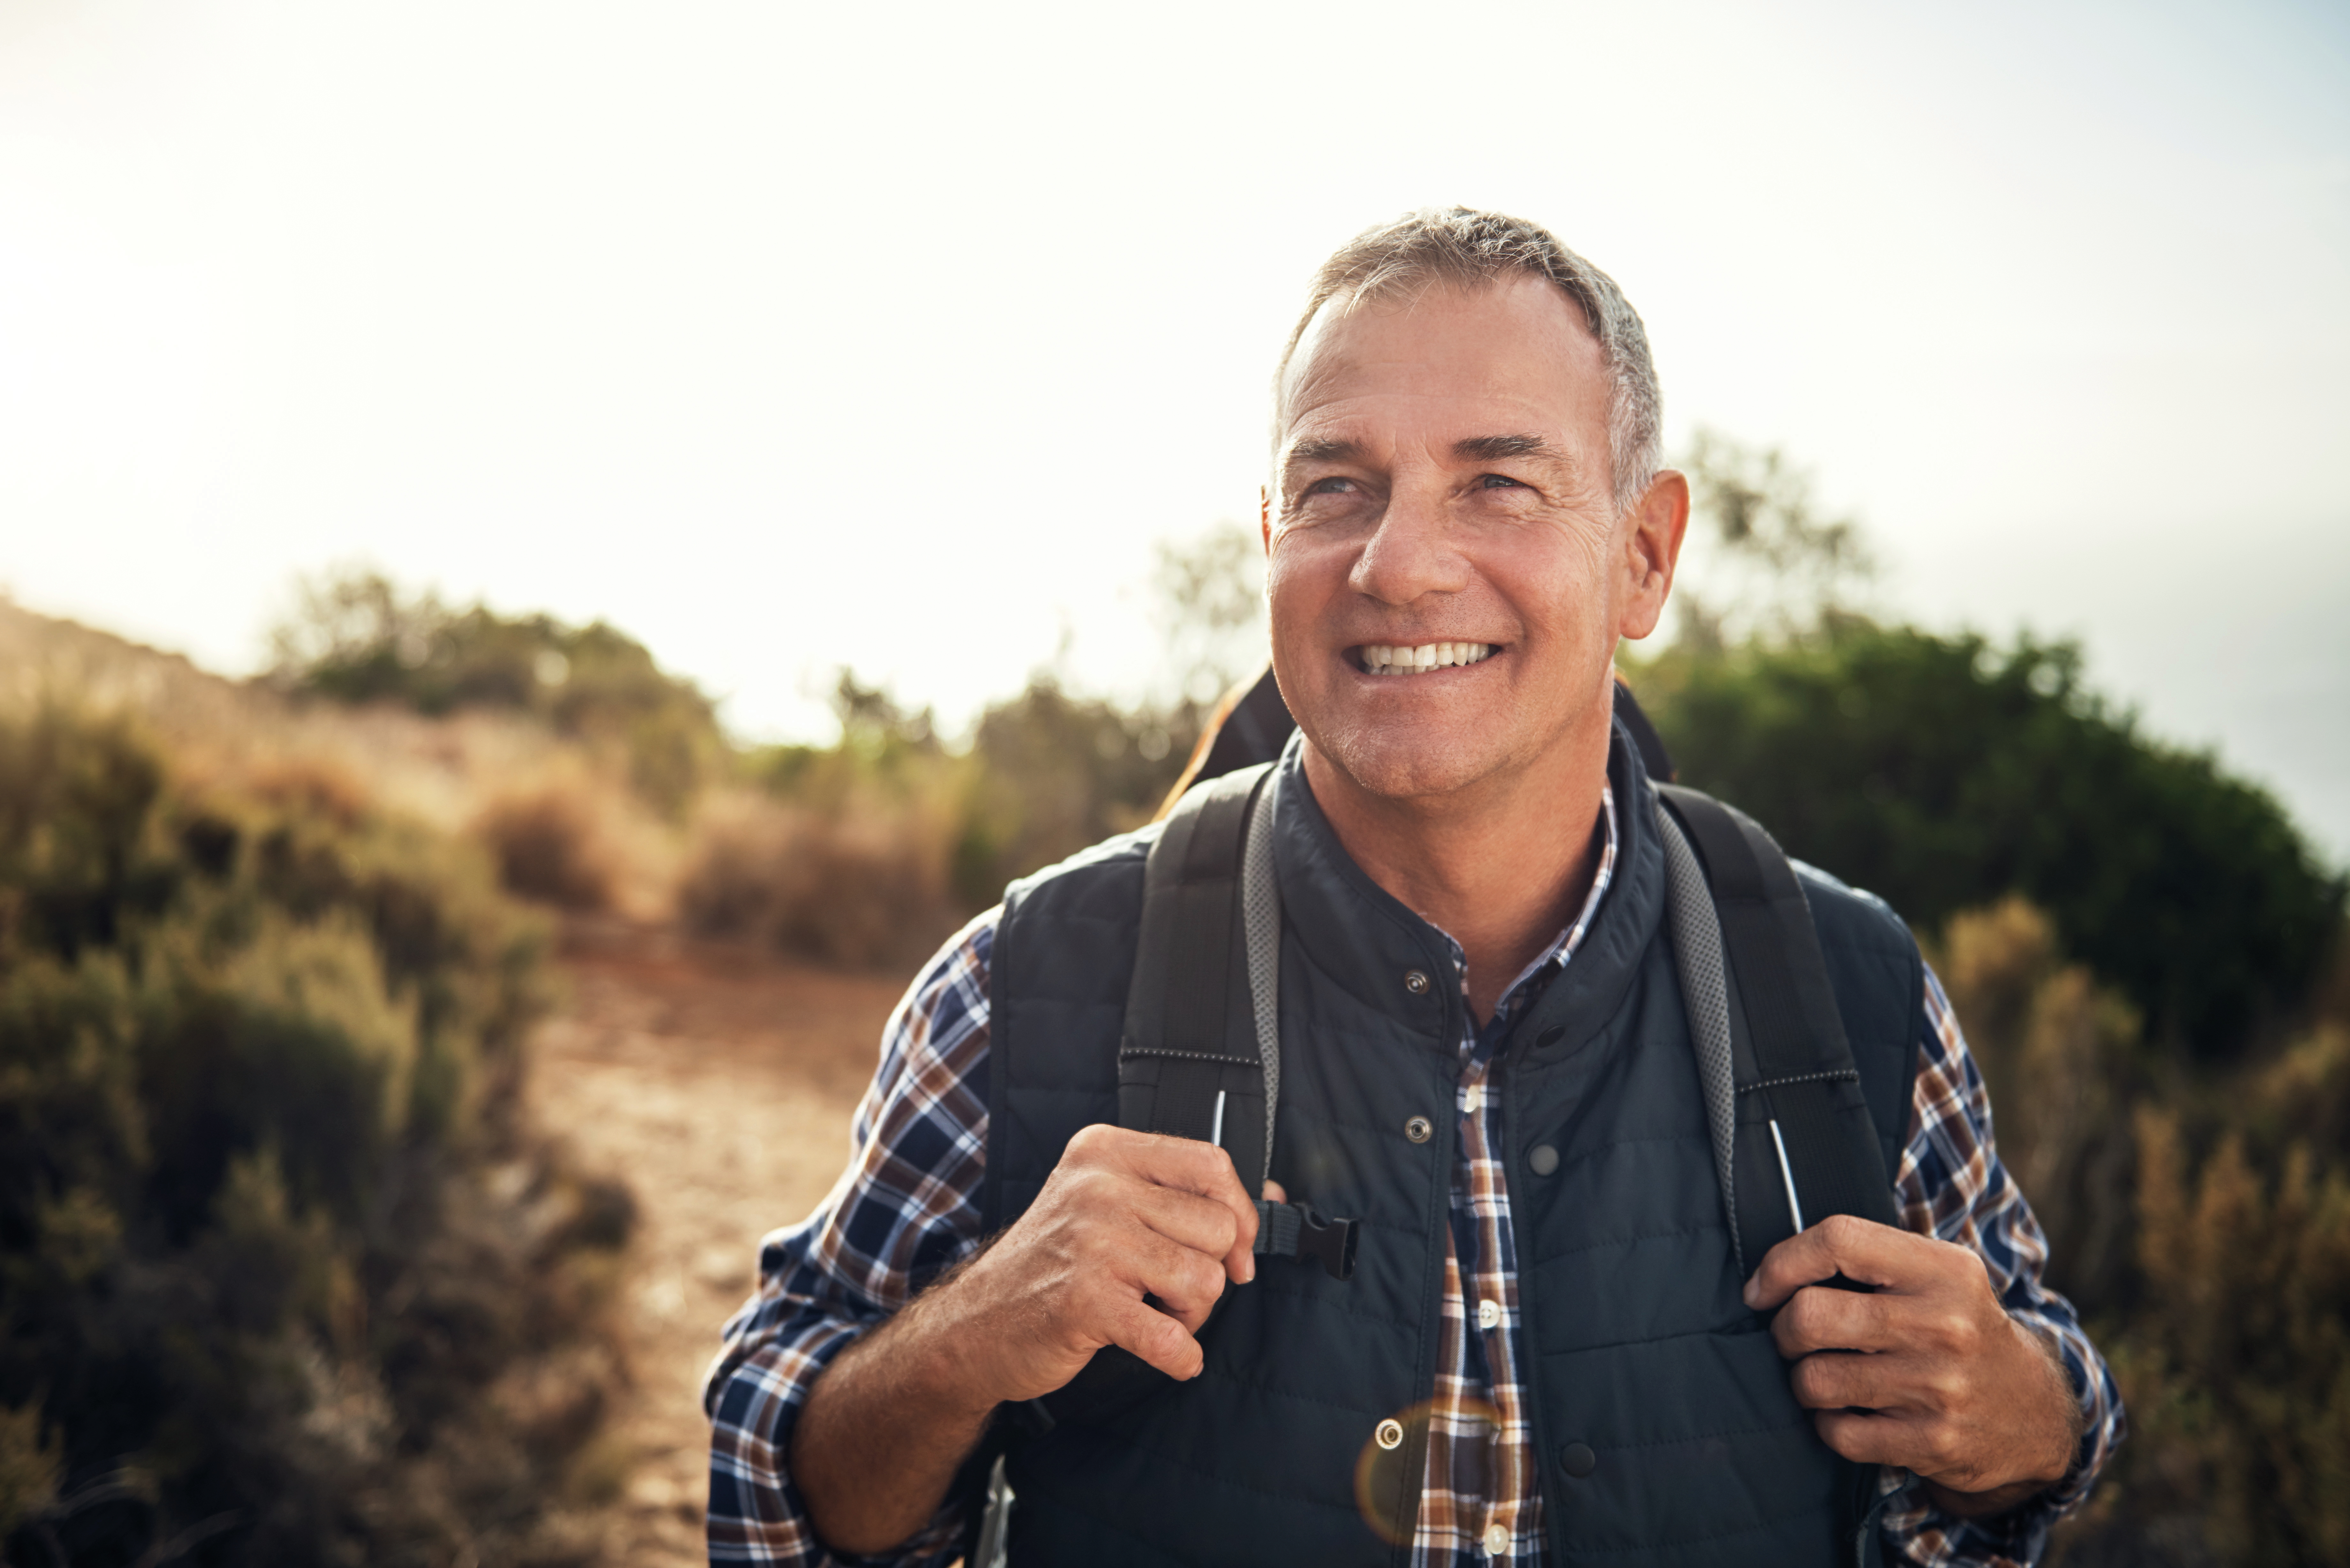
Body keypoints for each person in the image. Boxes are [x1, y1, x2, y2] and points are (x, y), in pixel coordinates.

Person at [703, 208, 2123, 1567]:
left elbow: (2025, 1428)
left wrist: (2032, 1416)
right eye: (1337, 488)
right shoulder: (1018, 983)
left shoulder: (1850, 985)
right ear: (1272, 540)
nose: (1397, 563)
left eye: (1496, 483)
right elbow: (783, 1496)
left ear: (1643, 552)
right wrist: (966, 1338)